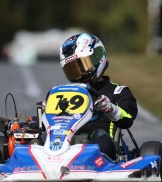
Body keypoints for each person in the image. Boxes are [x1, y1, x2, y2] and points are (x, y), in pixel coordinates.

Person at [59, 33, 138, 161]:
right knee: (41, 139)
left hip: (102, 143)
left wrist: (111, 109)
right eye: (73, 70)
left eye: (82, 66)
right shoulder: (68, 93)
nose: (79, 74)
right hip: (68, 139)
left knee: (98, 144)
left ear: (97, 57)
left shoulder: (117, 92)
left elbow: (128, 119)